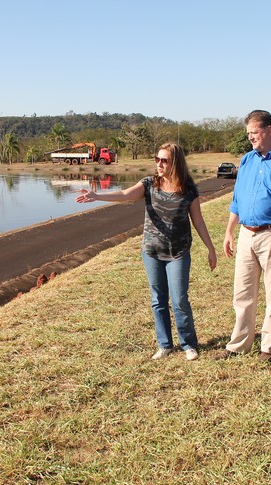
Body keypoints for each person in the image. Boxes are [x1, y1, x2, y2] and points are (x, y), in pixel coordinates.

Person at [76, 142, 217, 361]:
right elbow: (125, 194)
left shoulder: (189, 189)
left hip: (178, 252)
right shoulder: (150, 184)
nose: (159, 164)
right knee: (158, 298)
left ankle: (188, 344)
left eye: (164, 160)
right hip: (151, 251)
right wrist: (97, 196)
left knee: (179, 299)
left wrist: (210, 248)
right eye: (157, 159)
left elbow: (197, 219)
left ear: (175, 162)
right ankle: (165, 345)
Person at [215, 110, 271, 362]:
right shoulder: (246, 160)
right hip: (246, 233)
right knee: (242, 292)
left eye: (254, 133)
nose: (250, 138)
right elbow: (237, 199)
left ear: (268, 131)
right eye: (248, 134)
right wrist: (229, 231)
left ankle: (270, 345)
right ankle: (239, 343)